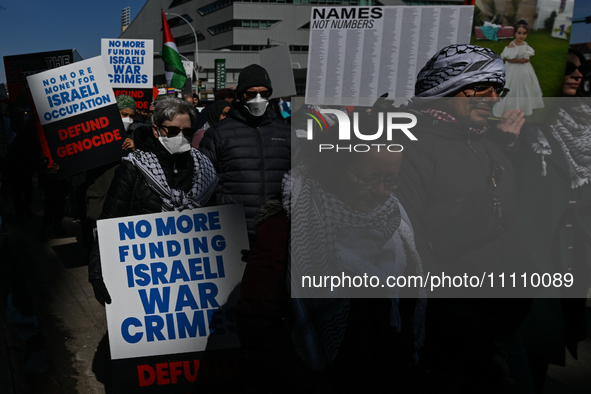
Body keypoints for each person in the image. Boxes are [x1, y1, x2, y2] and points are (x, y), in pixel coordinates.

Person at [235, 110, 427, 393]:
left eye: (392, 179)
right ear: (334, 168)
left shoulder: (396, 219)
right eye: (370, 179)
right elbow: (259, 323)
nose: (384, 191)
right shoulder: (287, 227)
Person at [395, 44, 533, 392]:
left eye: (497, 88)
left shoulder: (483, 141)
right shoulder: (409, 147)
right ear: (445, 85)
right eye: (479, 86)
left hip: (502, 327)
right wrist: (468, 335)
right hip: (458, 338)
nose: (491, 97)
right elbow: (410, 249)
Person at [88, 97, 218, 306]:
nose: (181, 137)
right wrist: (97, 271)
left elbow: (219, 222)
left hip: (192, 271)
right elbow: (110, 221)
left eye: (187, 132)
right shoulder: (134, 168)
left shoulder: (205, 169)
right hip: (146, 273)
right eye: (173, 131)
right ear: (156, 131)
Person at [514, 48, 591, 393]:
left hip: (572, 255)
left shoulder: (582, 126)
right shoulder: (526, 129)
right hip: (535, 257)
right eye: (568, 70)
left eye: (581, 70)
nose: (577, 75)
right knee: (532, 346)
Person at [199, 64, 291, 244]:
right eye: (251, 93)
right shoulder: (218, 133)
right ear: (241, 95)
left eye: (264, 93)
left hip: (277, 231)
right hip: (233, 232)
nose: (258, 99)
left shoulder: (286, 133)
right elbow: (203, 184)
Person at [493, 19, 544, 117]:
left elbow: (528, 53)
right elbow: (508, 59)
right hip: (513, 69)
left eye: (524, 33)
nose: (522, 36)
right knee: (512, 85)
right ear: (515, 33)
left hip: (525, 69)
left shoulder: (525, 44)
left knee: (525, 85)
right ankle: (509, 105)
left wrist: (527, 59)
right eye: (519, 33)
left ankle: (524, 104)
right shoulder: (512, 45)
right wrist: (519, 61)